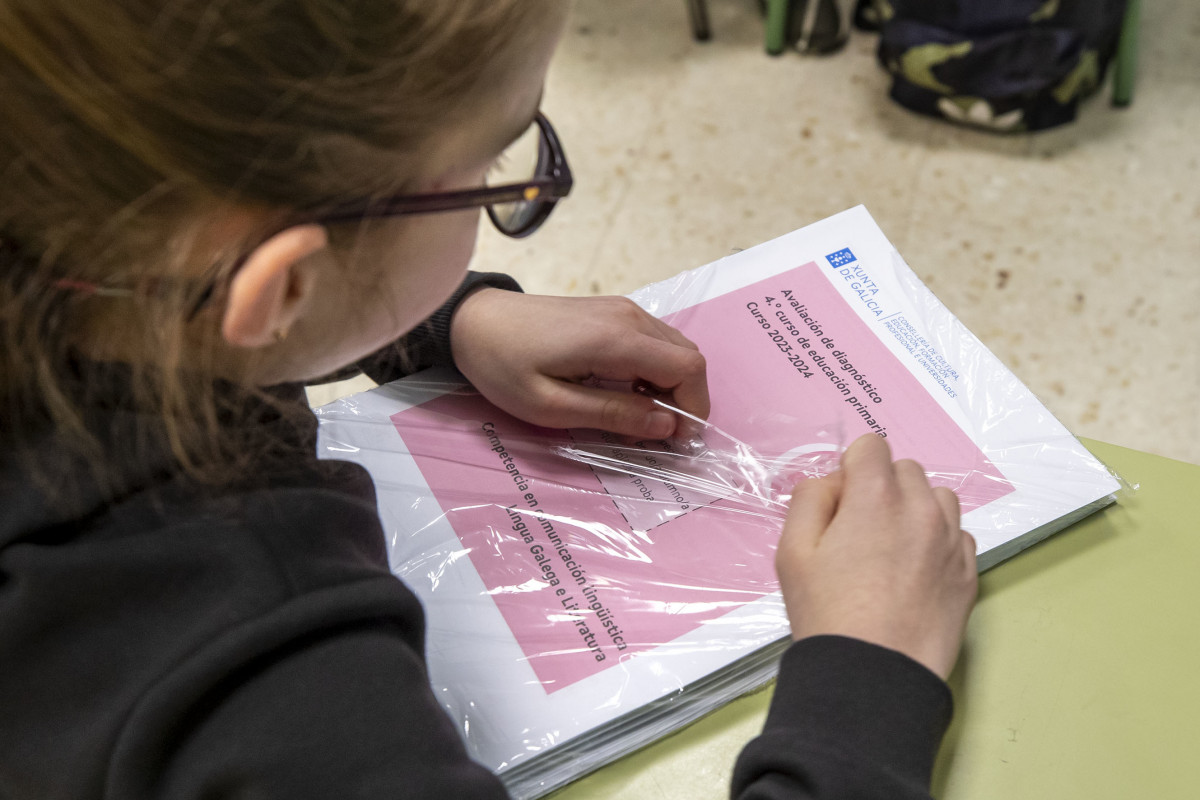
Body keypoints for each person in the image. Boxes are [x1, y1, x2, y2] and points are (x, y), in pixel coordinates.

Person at [0, 2, 977, 798]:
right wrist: (865, 671)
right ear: (282, 288)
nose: (500, 196)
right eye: (489, 172)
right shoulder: (267, 683)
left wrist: (438, 321)